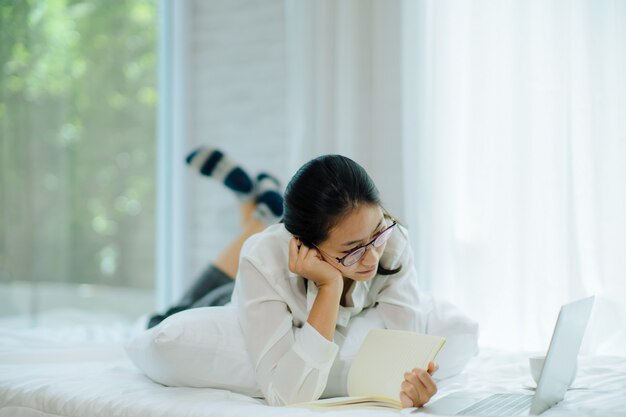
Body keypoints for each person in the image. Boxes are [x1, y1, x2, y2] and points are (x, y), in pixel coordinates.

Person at [150, 150, 479, 408]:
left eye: (377, 233)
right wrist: (329, 287)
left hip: (270, 275)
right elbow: (287, 395)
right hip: (234, 299)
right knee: (165, 317)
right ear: (305, 246)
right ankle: (252, 213)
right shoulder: (264, 258)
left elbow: (404, 349)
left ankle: (252, 208)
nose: (372, 257)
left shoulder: (391, 240)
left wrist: (412, 387)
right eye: (351, 250)